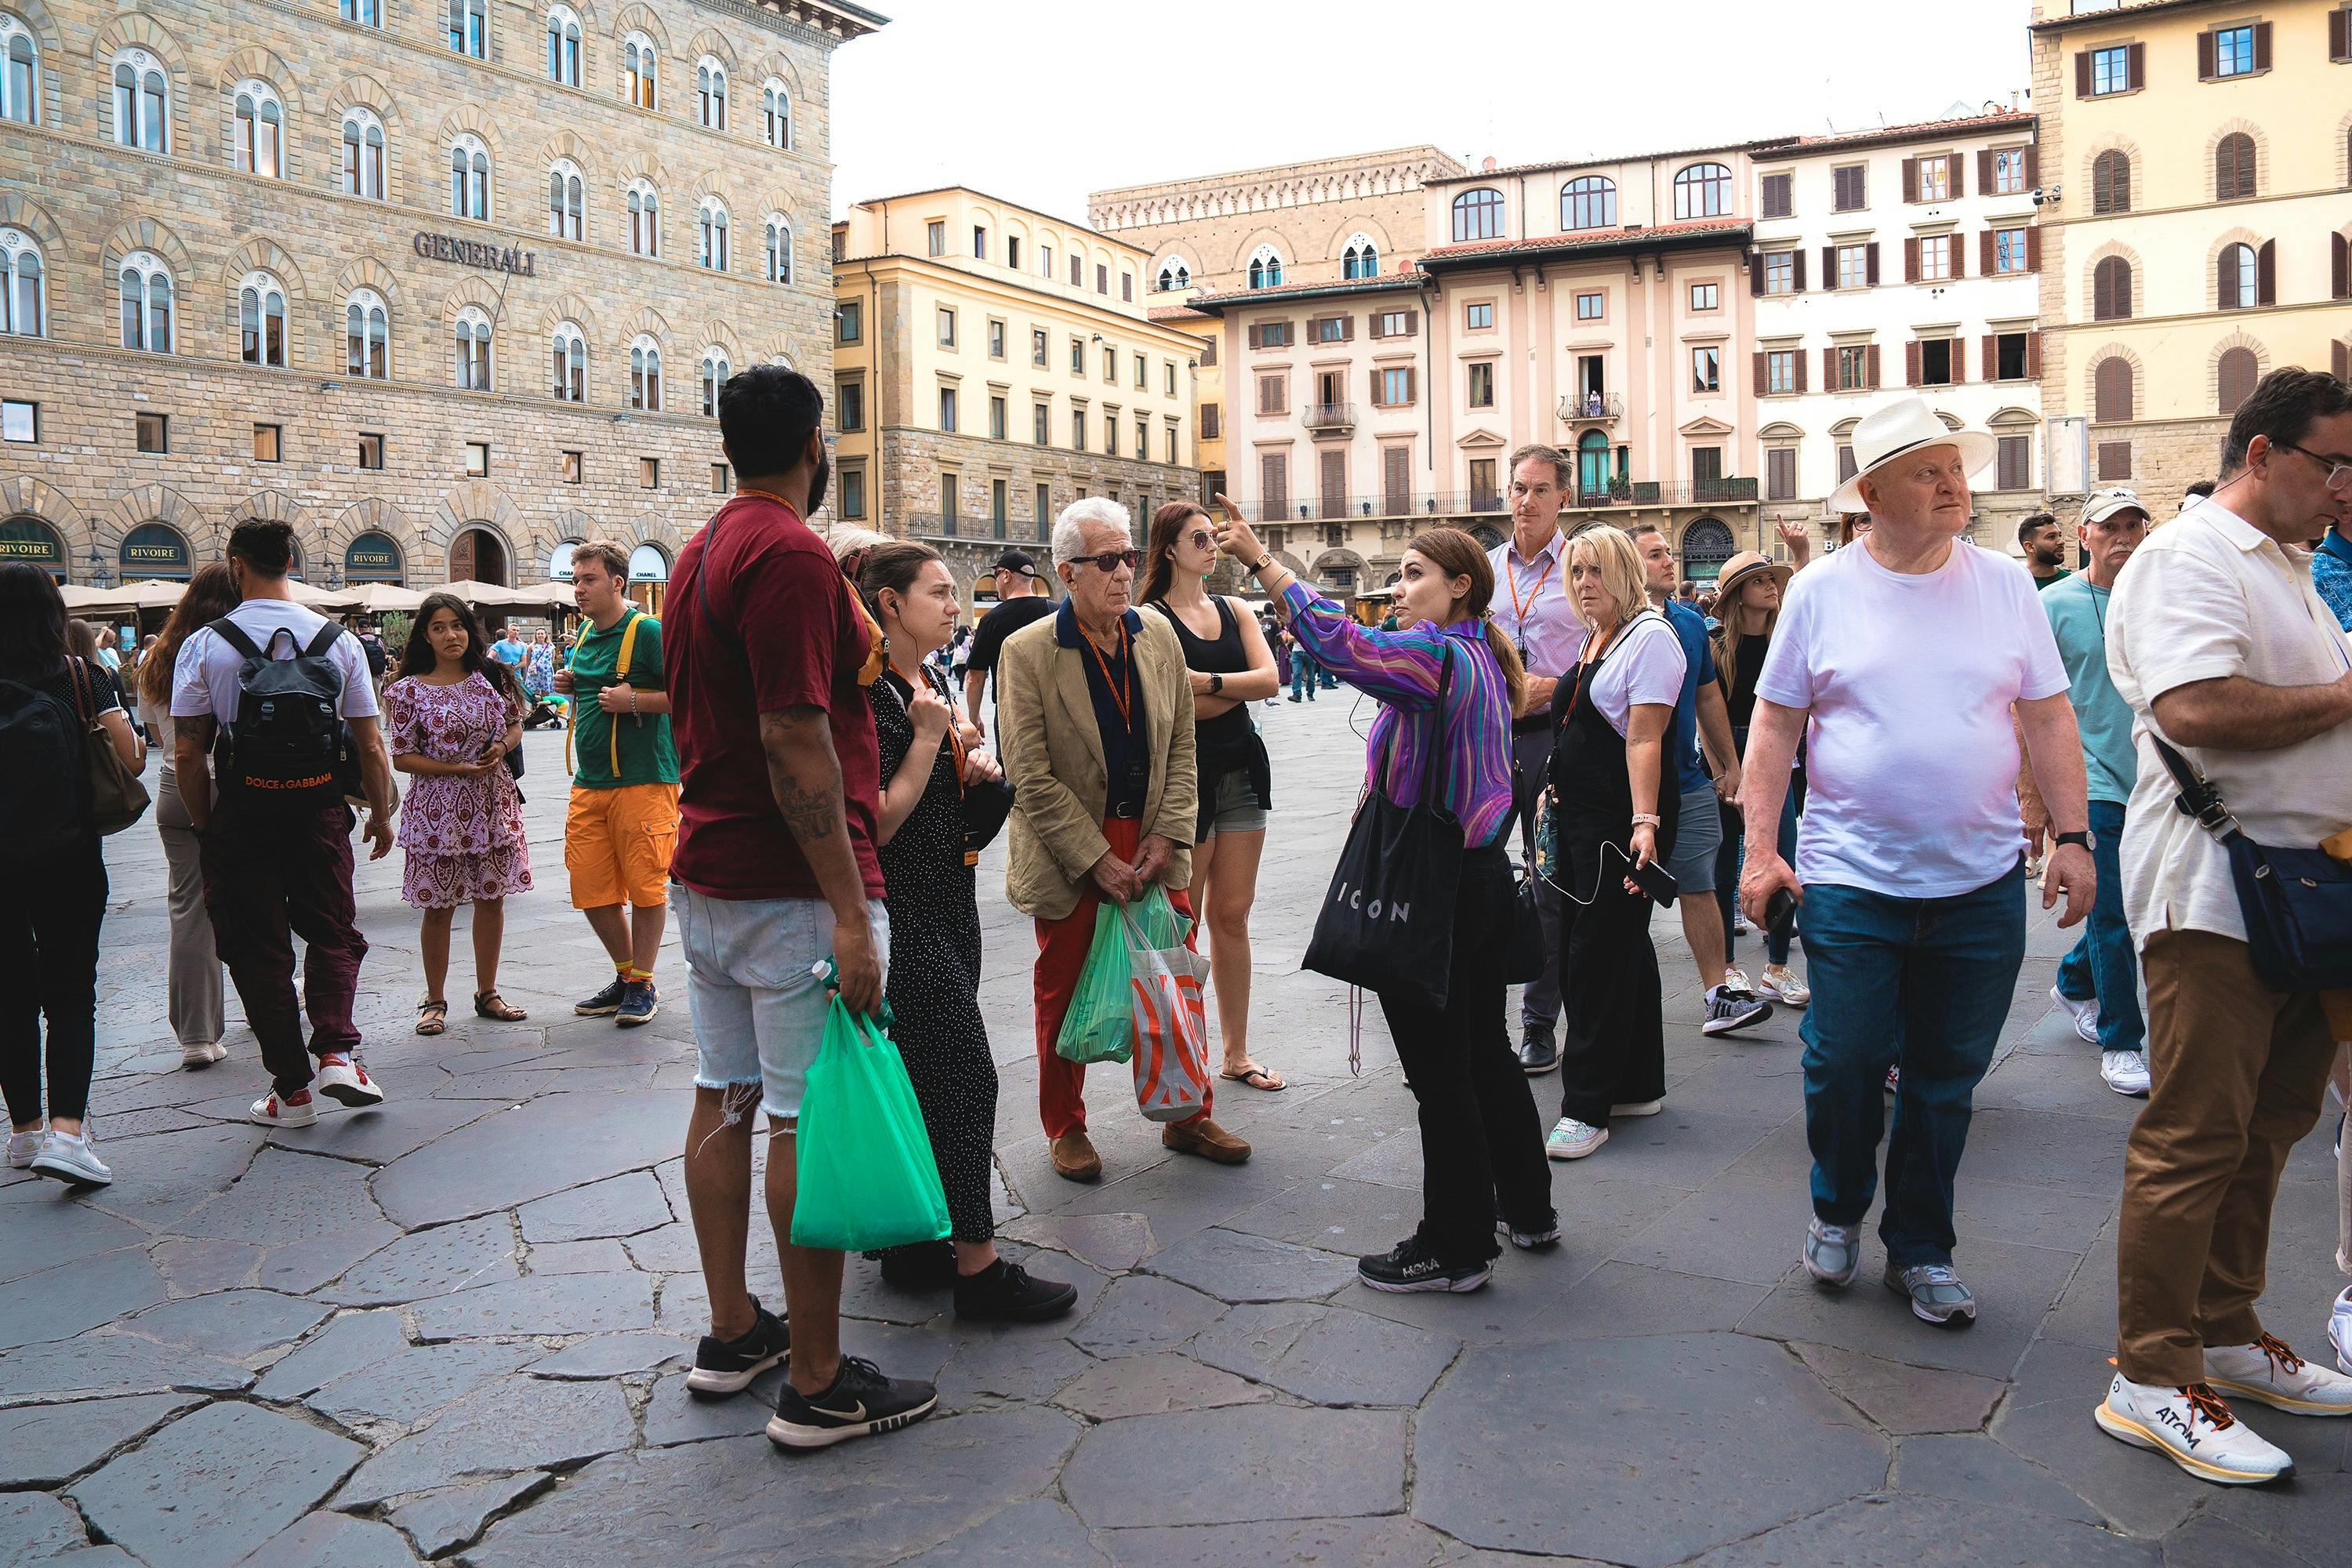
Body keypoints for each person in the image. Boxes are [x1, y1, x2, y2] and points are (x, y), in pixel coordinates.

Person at [1739, 395, 2094, 1327]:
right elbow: (1776, 722)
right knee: (1845, 1060)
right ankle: (1836, 1202)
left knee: (1945, 1077)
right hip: (1851, 875)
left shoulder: (2006, 583)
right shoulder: (1820, 589)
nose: (1954, 483)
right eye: (1927, 469)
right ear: (1871, 493)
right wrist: (1761, 849)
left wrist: (2073, 833)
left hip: (1978, 881)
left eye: (1955, 466)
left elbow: (2047, 715)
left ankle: (1923, 1247)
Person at [664, 364, 937, 1450]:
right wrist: (847, 905)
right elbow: (792, 732)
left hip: (712, 874)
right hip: (785, 890)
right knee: (800, 1116)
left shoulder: (700, 549)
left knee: (722, 1092)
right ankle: (817, 1380)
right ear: (816, 445)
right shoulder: (782, 551)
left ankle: (735, 1330)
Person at [2098, 368, 2352, 1485]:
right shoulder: (2187, 556)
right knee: (2197, 1135)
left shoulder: (2288, 565)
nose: (2345, 488)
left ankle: (2231, 1335)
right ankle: (2151, 1377)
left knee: (2272, 1122)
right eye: (2333, 464)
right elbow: (2195, 709)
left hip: (2299, 893)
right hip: (2215, 895)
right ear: (2262, 455)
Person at [1213, 510, 1555, 1292]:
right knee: (1485, 1053)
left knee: (1442, 1074)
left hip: (1430, 888)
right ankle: (1527, 1207)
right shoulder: (1483, 655)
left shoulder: (1435, 656)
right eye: (1399, 574)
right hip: (1480, 881)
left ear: (1459, 587)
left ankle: (1456, 1243)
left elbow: (1341, 645)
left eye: (1413, 575)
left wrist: (1262, 560)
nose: (1398, 590)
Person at [855, 541, 1076, 1321]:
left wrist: (968, 762)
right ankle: (978, 1268)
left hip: (952, 898)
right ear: (889, 604)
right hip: (901, 907)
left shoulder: (933, 679)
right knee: (962, 1074)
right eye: (940, 592)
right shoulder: (874, 696)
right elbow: (875, 820)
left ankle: (918, 1239)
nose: (958, 605)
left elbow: (934, 785)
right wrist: (926, 742)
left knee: (925, 1074)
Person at [999, 497, 1248, 1182]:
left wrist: (1168, 835)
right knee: (1063, 985)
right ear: (1065, 572)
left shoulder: (1156, 635)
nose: (1122, 572)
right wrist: (1096, 858)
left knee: (1173, 976)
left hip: (1155, 837)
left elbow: (1183, 747)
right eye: (1105, 560)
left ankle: (1187, 1113)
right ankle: (1066, 1128)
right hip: (1073, 845)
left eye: (1129, 558)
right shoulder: (1027, 652)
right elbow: (1029, 772)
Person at [171, 519, 396, 1130]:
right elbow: (370, 744)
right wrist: (378, 812)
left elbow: (189, 752)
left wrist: (204, 823)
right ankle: (337, 1054)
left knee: (255, 945)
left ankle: (290, 1091)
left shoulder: (205, 644)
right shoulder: (339, 640)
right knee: (333, 931)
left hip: (244, 812)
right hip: (320, 808)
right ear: (291, 562)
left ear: (235, 564)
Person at [1538, 527, 1686, 1161]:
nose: (1584, 583)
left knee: (1594, 957)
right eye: (1576, 573)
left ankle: (1586, 1107)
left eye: (1596, 571)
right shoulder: (1599, 634)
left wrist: (1646, 824)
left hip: (1623, 820)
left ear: (1625, 572)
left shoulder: (1651, 638)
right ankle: (1636, 1083)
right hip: (1583, 819)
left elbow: (1645, 739)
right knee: (1621, 949)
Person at [1, 566, 144, 1185]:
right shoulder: (84, 676)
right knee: (70, 992)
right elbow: (133, 757)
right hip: (69, 853)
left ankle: (24, 1132)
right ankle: (67, 1134)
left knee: (7, 993)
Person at [1140, 503, 1285, 1092]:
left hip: (1243, 771)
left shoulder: (1234, 609)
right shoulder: (1150, 619)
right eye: (1199, 537)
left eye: (1214, 536)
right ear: (1169, 549)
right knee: (1185, 920)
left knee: (1233, 914)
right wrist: (1230, 691)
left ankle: (1236, 1054)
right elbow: (1175, 707)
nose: (1212, 544)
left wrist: (1210, 684)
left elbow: (1272, 679)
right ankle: (1185, 1059)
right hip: (1186, 781)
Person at [2031, 488, 2151, 1098]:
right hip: (2089, 780)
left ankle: (2075, 984)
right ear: (2085, 536)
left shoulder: (2161, 598)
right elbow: (2026, 702)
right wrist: (2038, 801)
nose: (2124, 536)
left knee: (2135, 911)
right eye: (2111, 527)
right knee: (2114, 914)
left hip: (2155, 777)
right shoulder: (2055, 604)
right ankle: (2122, 1041)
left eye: (2134, 524)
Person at [1624, 524, 1768, 1036]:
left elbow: (1709, 698)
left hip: (1686, 780)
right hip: (1624, 789)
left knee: (1701, 884)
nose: (1670, 560)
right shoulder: (1609, 623)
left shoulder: (1688, 624)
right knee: (1625, 901)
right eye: (1657, 554)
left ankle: (1718, 996)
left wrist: (1729, 766)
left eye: (1669, 551)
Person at [384, 593, 532, 1035]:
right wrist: (456, 768)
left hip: (491, 801)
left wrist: (502, 747)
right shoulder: (407, 690)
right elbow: (402, 756)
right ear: (425, 636)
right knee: (438, 905)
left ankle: (488, 992)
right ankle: (435, 1000)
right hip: (438, 809)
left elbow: (515, 722)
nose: (451, 635)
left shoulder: (491, 676)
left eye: (458, 626)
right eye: (439, 627)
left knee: (492, 899)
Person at [556, 543, 677, 1028]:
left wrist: (635, 702)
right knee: (590, 887)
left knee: (648, 886)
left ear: (617, 584)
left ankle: (643, 981)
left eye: (588, 579)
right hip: (590, 782)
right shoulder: (585, 632)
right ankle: (628, 975)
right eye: (576, 579)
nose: (579, 589)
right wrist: (572, 683)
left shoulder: (648, 632)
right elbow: (593, 688)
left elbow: (693, 691)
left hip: (644, 780)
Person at [1487, 446, 1579, 1073]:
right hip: (1488, 740)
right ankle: (1477, 1015)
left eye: (1540, 490)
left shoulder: (1583, 566)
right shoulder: (1484, 568)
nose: (1526, 500)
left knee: (1550, 881)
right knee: (1478, 877)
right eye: (1518, 488)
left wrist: (1558, 683)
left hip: (1557, 736)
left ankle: (1538, 1025)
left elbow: (1610, 642)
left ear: (1562, 498)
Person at [137, 564, 237, 1069]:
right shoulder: (235, 651)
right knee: (267, 895)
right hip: (240, 787)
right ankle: (285, 999)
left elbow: (162, 741)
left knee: (190, 911)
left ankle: (198, 1036)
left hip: (177, 789)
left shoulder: (157, 658)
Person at [1710, 552, 1809, 1005]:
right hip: (1725, 751)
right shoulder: (1716, 645)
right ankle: (1727, 965)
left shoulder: (1783, 639)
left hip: (1774, 754)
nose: (1771, 586)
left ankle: (1777, 967)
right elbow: (1703, 714)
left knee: (1782, 853)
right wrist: (1723, 770)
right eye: (1761, 580)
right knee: (1724, 859)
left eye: (1773, 579)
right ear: (1737, 594)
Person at [962, 550, 1055, 742]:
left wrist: (973, 718)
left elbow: (976, 677)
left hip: (1012, 711)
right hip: (1054, 709)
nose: (995, 581)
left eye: (996, 575)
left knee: (1013, 768)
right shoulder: (1057, 611)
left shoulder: (991, 620)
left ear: (1006, 576)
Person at [2018, 512, 2071, 590]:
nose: (2061, 541)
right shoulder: (2015, 583)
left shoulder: (2069, 582)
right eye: (2051, 537)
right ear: (2030, 547)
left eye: (2060, 535)